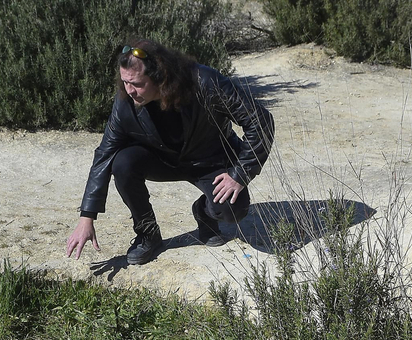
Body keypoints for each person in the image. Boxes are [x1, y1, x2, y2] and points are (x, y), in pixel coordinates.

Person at [65, 40, 274, 266]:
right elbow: (105, 154)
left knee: (232, 209)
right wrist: (87, 217)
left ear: (160, 77)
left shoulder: (205, 82)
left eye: (137, 83)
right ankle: (148, 233)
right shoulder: (126, 101)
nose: (129, 90)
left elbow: (260, 121)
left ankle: (203, 212)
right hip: (162, 160)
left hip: (210, 159)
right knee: (122, 163)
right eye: (125, 82)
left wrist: (239, 175)